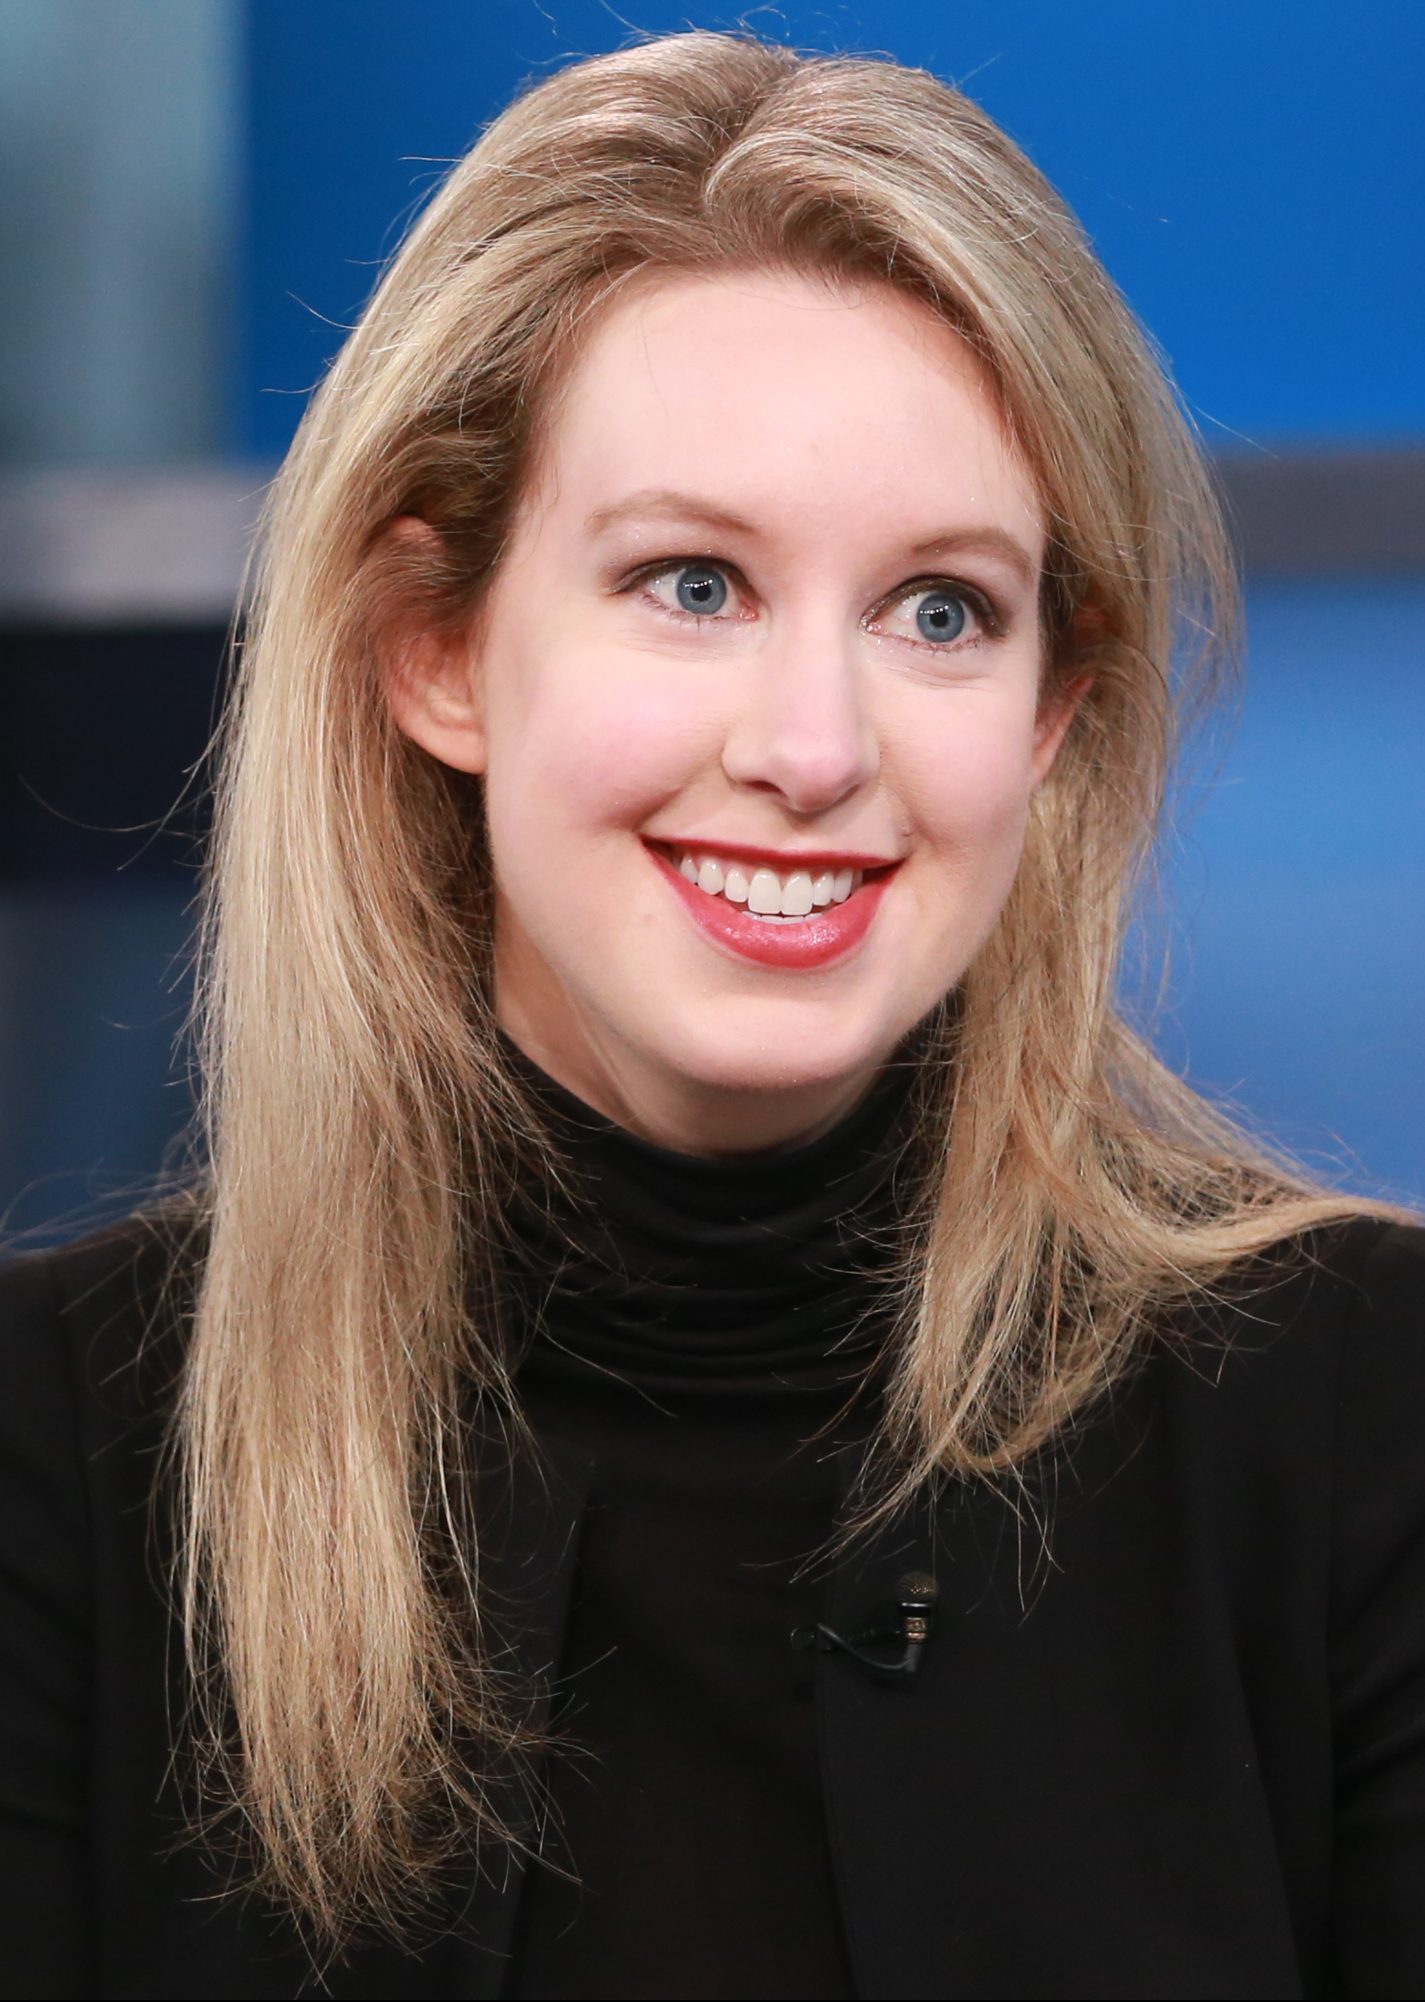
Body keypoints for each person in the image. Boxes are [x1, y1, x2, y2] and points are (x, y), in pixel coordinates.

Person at [1, 28, 1421, 2001]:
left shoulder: (1363, 1418)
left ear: (1048, 716)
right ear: (437, 651)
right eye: (690, 581)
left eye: (937, 610)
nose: (815, 747)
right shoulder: (60, 1457)